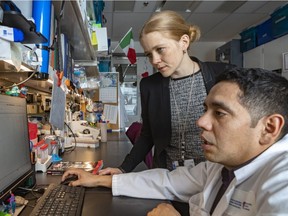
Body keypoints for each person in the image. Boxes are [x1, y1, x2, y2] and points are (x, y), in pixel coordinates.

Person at [62, 67, 288, 215]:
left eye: (219, 113)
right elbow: (167, 182)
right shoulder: (222, 167)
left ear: (269, 128)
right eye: (205, 110)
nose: (201, 122)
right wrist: (97, 180)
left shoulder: (282, 185)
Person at [100, 10, 235, 174]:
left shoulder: (224, 77)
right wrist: (123, 169)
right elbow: (147, 135)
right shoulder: (150, 85)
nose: (155, 61)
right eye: (150, 54)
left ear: (184, 42)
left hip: (213, 177)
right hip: (166, 178)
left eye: (160, 49)